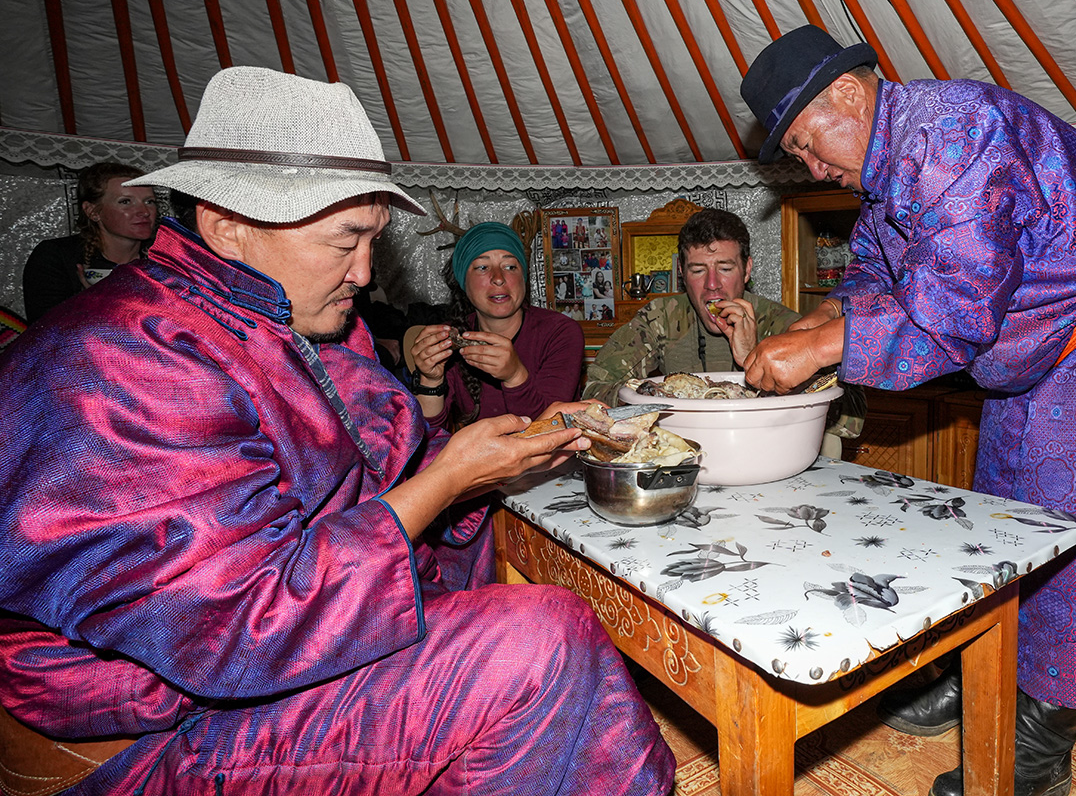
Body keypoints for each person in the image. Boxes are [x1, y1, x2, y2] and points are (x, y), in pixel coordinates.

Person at [0, 66, 674, 796]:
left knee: (494, 542)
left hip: (266, 649)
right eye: (343, 240)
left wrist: (504, 452)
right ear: (228, 225)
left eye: (374, 241)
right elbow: (243, 627)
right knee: (540, 640)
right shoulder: (126, 355)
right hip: (161, 725)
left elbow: (383, 473)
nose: (363, 271)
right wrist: (447, 480)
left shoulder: (297, 317)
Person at [740, 25, 1076, 796]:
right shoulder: (890, 169)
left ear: (848, 95)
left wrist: (823, 352)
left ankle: (1038, 742)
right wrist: (817, 322)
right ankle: (985, 668)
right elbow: (876, 274)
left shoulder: (956, 134)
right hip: (1044, 348)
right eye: (799, 161)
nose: (814, 169)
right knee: (1009, 519)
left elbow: (950, 311)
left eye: (812, 148)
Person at [582, 208, 803, 405]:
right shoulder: (661, 318)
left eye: (725, 268)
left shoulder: (781, 324)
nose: (712, 284)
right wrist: (653, 398)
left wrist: (752, 358)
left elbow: (816, 396)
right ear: (681, 272)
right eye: (698, 270)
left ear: (746, 270)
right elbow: (595, 390)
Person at [409, 222, 584, 430]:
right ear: (463, 281)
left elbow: (551, 430)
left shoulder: (560, 332)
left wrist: (515, 376)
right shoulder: (450, 339)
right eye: (482, 267)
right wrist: (430, 380)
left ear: (523, 277)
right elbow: (427, 437)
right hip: (479, 460)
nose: (499, 278)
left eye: (510, 267)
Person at [22, 161, 158, 322]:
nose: (144, 212)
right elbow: (44, 332)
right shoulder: (57, 256)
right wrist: (91, 303)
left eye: (149, 201)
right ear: (93, 211)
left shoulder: (163, 257)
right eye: (125, 202)